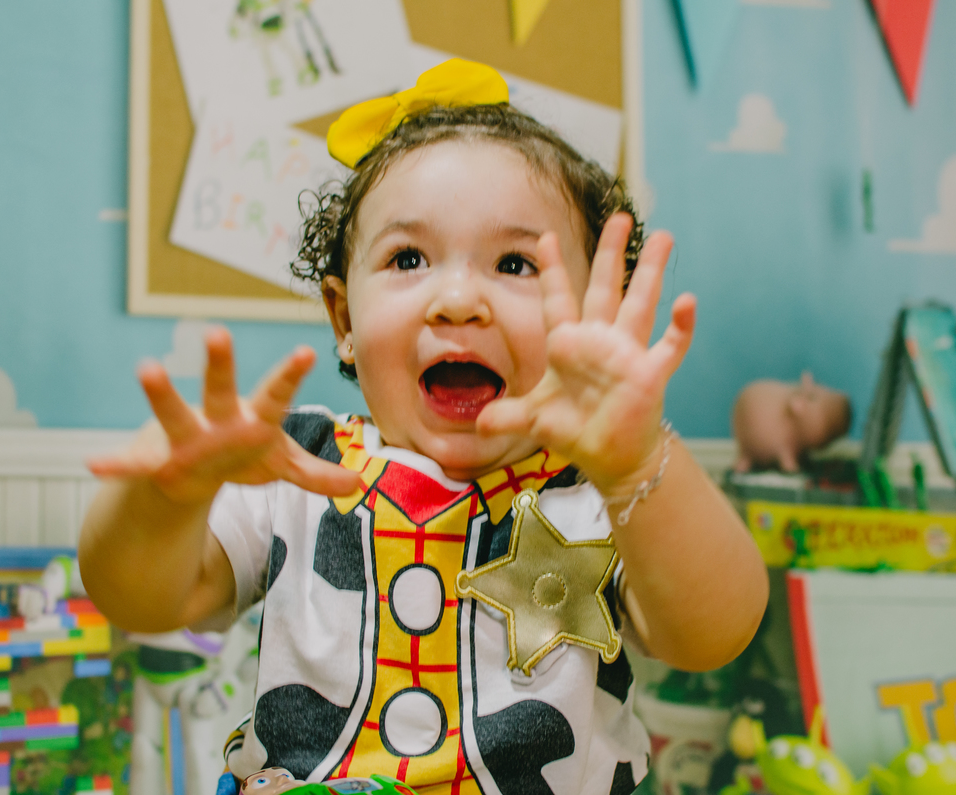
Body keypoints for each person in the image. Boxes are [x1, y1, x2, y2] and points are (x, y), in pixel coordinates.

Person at [79, 59, 768, 795]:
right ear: (344, 318)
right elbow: (144, 597)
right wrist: (167, 496)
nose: (459, 299)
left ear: (596, 311)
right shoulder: (294, 466)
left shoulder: (602, 495)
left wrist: (636, 467)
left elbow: (712, 633)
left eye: (515, 263)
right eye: (408, 258)